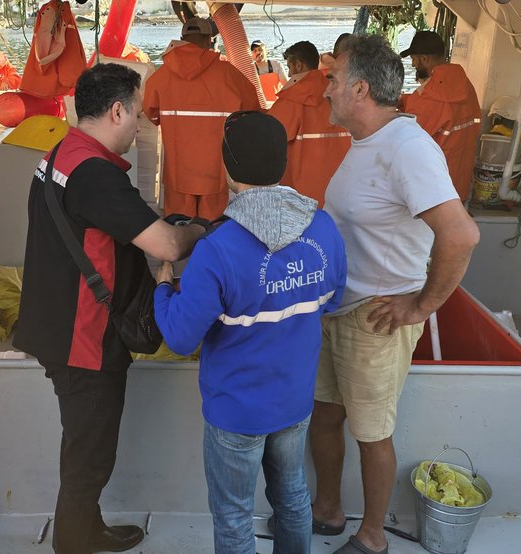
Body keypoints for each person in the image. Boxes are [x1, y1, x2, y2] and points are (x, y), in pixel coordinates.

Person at [13, 63, 207, 554]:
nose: (139, 123)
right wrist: (200, 230)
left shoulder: (62, 152)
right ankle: (74, 541)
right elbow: (165, 245)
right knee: (90, 451)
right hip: (84, 335)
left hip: (55, 320)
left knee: (85, 441)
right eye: (138, 114)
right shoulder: (95, 175)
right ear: (117, 110)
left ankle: (85, 527)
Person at [310, 35, 480, 554]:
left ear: (359, 88)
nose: (326, 91)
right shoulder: (367, 143)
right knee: (324, 415)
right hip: (336, 308)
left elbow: (460, 234)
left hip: (376, 317)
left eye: (333, 80)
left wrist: (421, 305)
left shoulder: (408, 148)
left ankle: (373, 536)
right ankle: (328, 510)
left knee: (371, 432)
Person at [153, 110, 346, 554]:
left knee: (235, 516)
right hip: (295, 400)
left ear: (228, 167)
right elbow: (331, 300)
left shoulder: (217, 249)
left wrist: (163, 287)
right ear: (283, 163)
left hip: (237, 411)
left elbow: (181, 338)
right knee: (294, 497)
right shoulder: (323, 228)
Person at [143, 17, 260, 220]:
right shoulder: (230, 74)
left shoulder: (161, 77)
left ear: (182, 39)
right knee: (213, 232)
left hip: (178, 174)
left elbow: (151, 113)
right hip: (217, 175)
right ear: (209, 40)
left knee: (178, 230)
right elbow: (252, 113)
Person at [399, 30, 482, 203]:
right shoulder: (465, 85)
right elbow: (444, 115)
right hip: (459, 184)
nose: (413, 65)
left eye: (414, 59)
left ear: (425, 59)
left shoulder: (429, 96)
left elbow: (408, 141)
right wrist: (406, 100)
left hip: (433, 189)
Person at [268, 40, 350, 206]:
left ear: (298, 66)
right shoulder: (342, 94)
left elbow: (267, 138)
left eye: (289, 68)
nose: (289, 75)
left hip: (302, 195)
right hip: (345, 191)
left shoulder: (291, 99)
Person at [19, 0, 86, 98]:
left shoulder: (52, 11)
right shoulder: (62, 11)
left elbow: (43, 50)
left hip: (54, 80)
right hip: (67, 77)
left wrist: (41, 62)